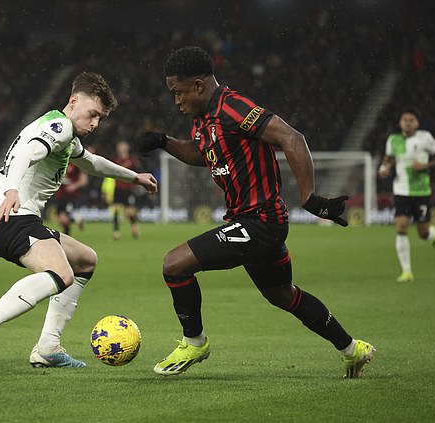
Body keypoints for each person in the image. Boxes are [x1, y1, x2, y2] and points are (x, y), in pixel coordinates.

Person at [137, 46, 374, 378]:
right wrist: (164, 141)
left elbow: (291, 137)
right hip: (253, 222)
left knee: (174, 264)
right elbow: (200, 154)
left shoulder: (232, 107)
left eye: (179, 92)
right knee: (282, 294)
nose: (176, 100)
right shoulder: (202, 118)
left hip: (260, 220)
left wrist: (308, 197)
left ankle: (195, 342)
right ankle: (352, 349)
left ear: (200, 86)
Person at [0, 72, 157, 376]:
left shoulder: (64, 134)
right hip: (13, 220)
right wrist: (10, 190)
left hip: (19, 220)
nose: (95, 123)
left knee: (85, 261)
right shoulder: (59, 127)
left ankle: (48, 346)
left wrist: (134, 177)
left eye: (100, 118)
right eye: (92, 114)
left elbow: (92, 162)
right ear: (73, 101)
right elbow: (25, 153)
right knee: (61, 274)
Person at [378, 109, 435, 282]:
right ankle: (407, 272)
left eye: (411, 120)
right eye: (404, 120)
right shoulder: (393, 140)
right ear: (400, 123)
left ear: (416, 123)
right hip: (401, 190)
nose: (407, 122)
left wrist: (426, 165)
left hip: (421, 191)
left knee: (422, 232)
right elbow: (389, 158)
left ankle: (431, 233)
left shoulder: (425, 138)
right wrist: (385, 168)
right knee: (401, 226)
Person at [103, 140, 141, 240]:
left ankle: (134, 226)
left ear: (127, 148)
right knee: (115, 210)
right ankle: (116, 232)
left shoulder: (132, 160)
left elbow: (137, 172)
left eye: (123, 147)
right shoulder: (116, 161)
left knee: (129, 213)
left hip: (128, 189)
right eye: (120, 147)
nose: (121, 149)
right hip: (117, 189)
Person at [53, 163, 88, 235]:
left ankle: (66, 237)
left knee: (65, 218)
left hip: (71, 196)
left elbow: (84, 180)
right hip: (60, 195)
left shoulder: (76, 164)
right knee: (60, 219)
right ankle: (78, 219)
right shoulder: (59, 162)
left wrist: (74, 186)